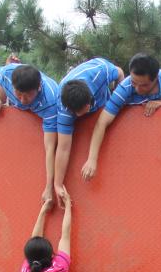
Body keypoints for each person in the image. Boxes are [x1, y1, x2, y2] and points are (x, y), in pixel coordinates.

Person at [80, 53, 161, 181]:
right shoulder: (126, 87)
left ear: (155, 78)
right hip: (138, 146)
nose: (137, 89)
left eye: (143, 85)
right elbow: (102, 122)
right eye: (134, 83)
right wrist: (92, 159)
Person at [0, 63, 61, 203]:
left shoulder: (51, 102)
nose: (22, 100)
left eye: (28, 96)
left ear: (39, 88)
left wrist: (49, 187)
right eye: (18, 94)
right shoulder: (7, 73)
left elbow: (50, 148)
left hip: (44, 111)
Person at [52, 58, 125, 202]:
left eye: (82, 111)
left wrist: (119, 100)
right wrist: (58, 184)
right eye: (75, 113)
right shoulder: (64, 108)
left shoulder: (100, 72)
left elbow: (120, 73)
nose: (79, 115)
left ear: (89, 101)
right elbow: (63, 148)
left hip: (103, 100)